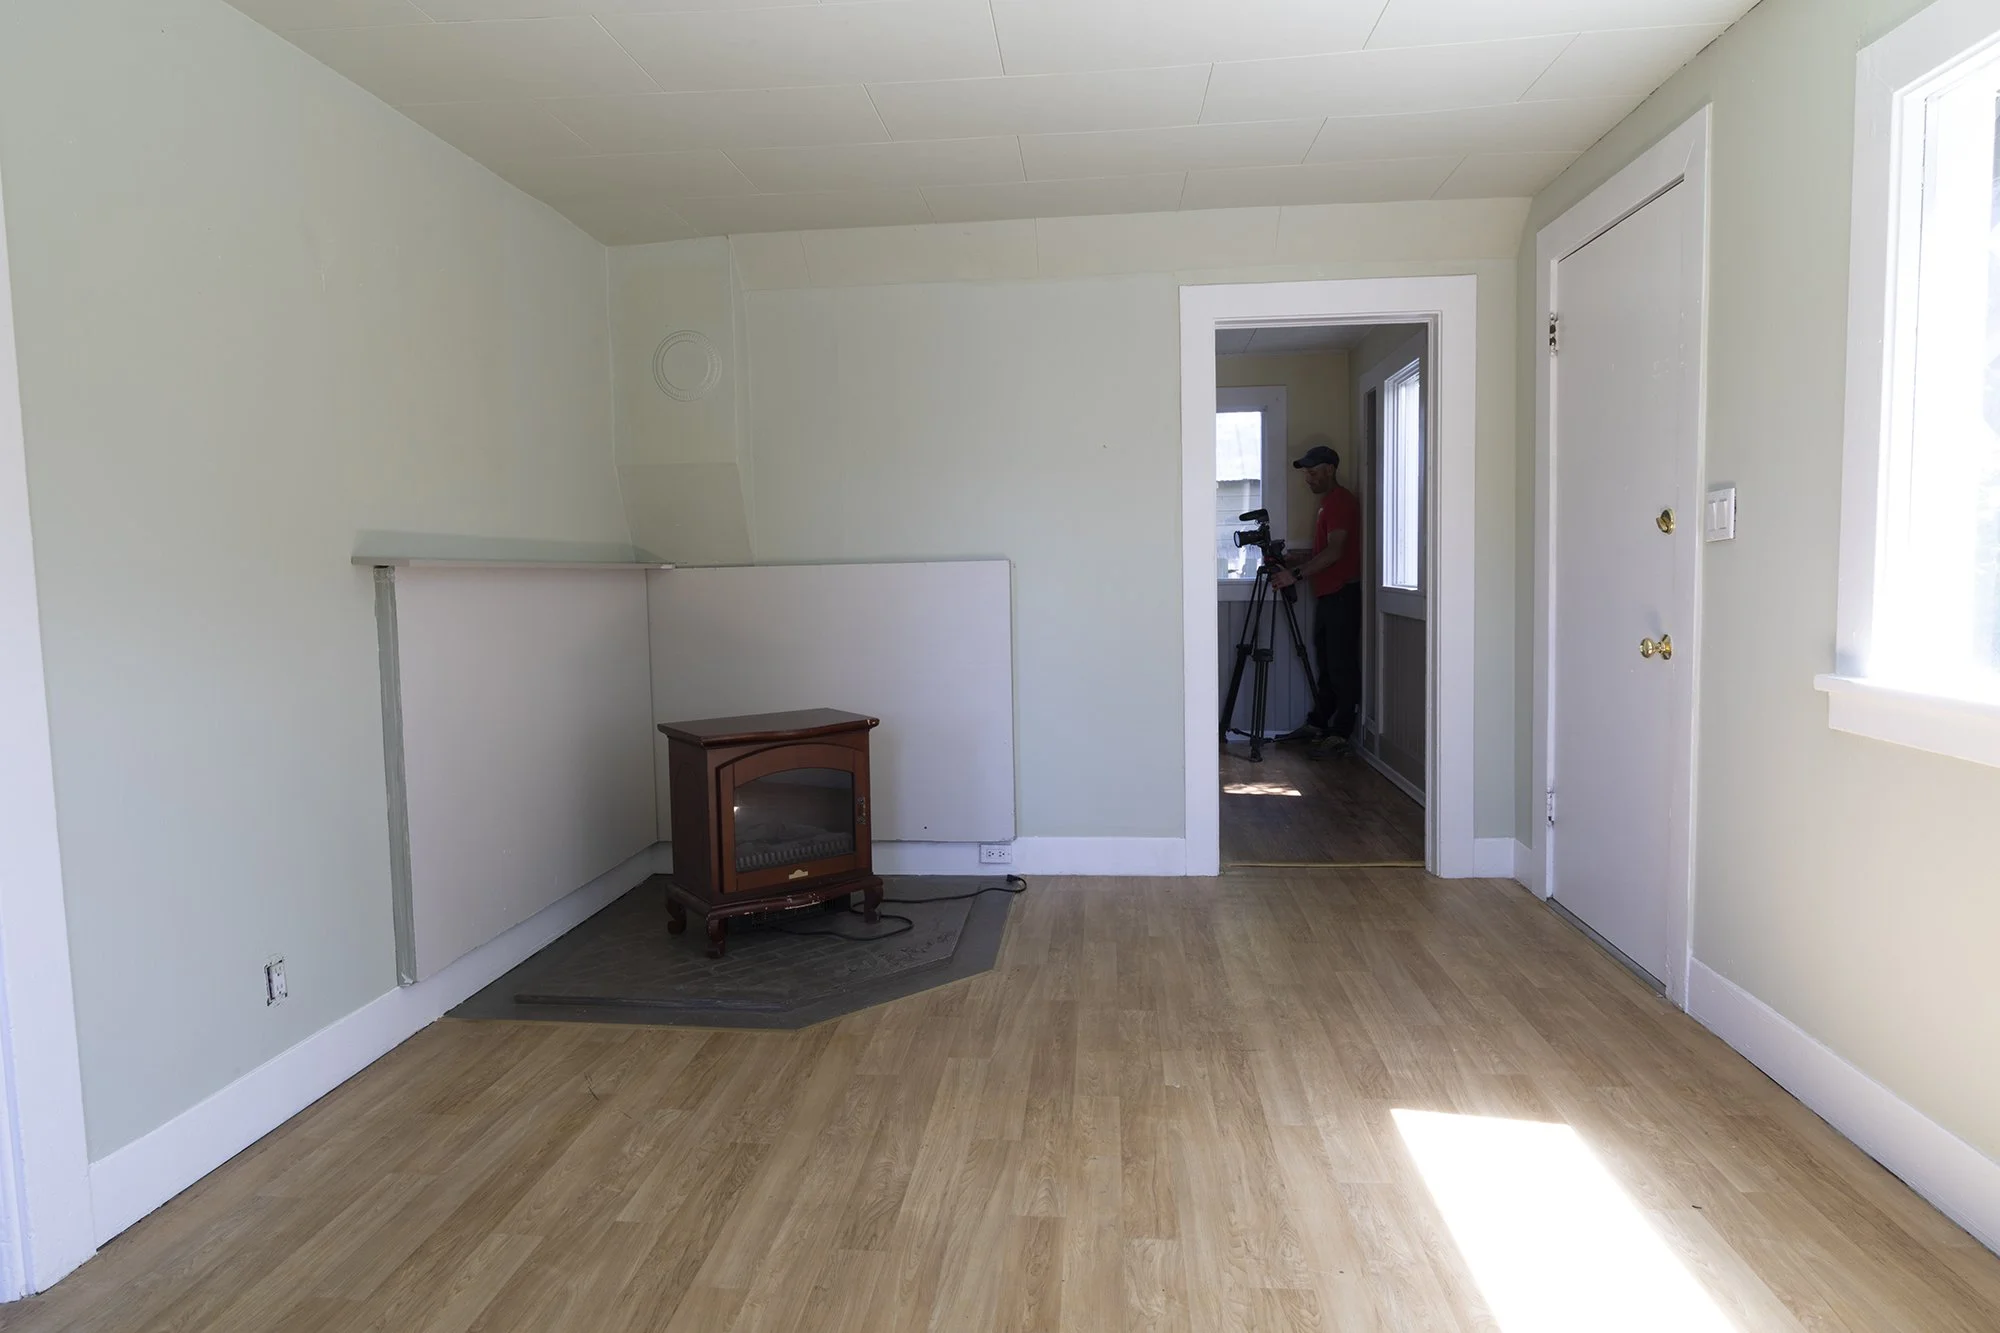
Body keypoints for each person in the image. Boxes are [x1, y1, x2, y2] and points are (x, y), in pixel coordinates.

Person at [1270, 440, 1362, 752]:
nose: (1308, 479)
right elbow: (1326, 551)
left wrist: (1292, 575)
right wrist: (1297, 558)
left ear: (1330, 470)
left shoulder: (1340, 502)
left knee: (1340, 665)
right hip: (1328, 595)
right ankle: (1320, 723)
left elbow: (1336, 552)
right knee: (1326, 662)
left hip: (1341, 595)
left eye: (1312, 473)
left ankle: (1340, 732)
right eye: (1306, 474)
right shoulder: (1329, 503)